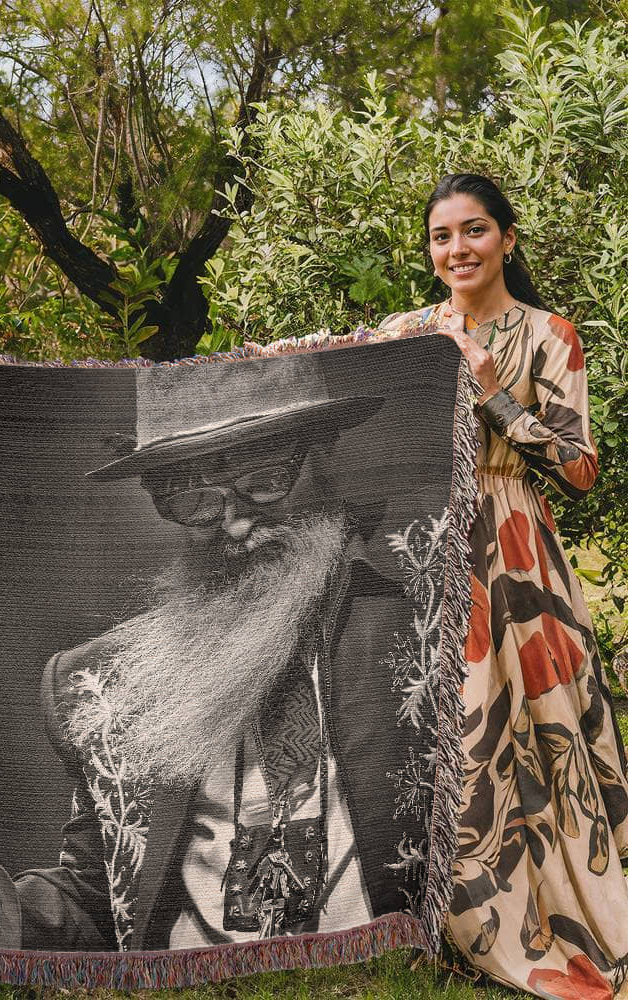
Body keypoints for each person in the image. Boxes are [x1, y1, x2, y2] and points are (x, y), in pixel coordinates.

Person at [0, 356, 443, 951]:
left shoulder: (432, 626)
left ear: (325, 460)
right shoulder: (106, 683)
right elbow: (102, 895)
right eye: (196, 503)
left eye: (266, 483)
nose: (236, 526)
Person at [378, 173, 628, 998]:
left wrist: (488, 388)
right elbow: (340, 376)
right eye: (442, 236)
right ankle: (449, 917)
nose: (457, 249)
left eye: (474, 231)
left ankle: (543, 908)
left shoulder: (550, 334)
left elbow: (581, 468)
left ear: (508, 239)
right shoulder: (412, 330)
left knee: (529, 725)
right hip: (432, 548)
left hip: (517, 555)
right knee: (441, 731)